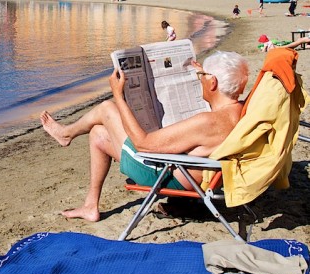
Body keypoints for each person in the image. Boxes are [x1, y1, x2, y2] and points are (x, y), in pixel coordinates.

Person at [40, 51, 249, 222]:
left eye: (202, 77)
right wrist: (200, 71)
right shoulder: (240, 111)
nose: (200, 80)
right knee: (98, 134)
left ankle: (66, 134)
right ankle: (90, 206)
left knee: (107, 109)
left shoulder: (208, 122)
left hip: (165, 174)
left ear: (213, 83)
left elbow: (143, 144)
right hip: (200, 174)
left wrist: (118, 96)